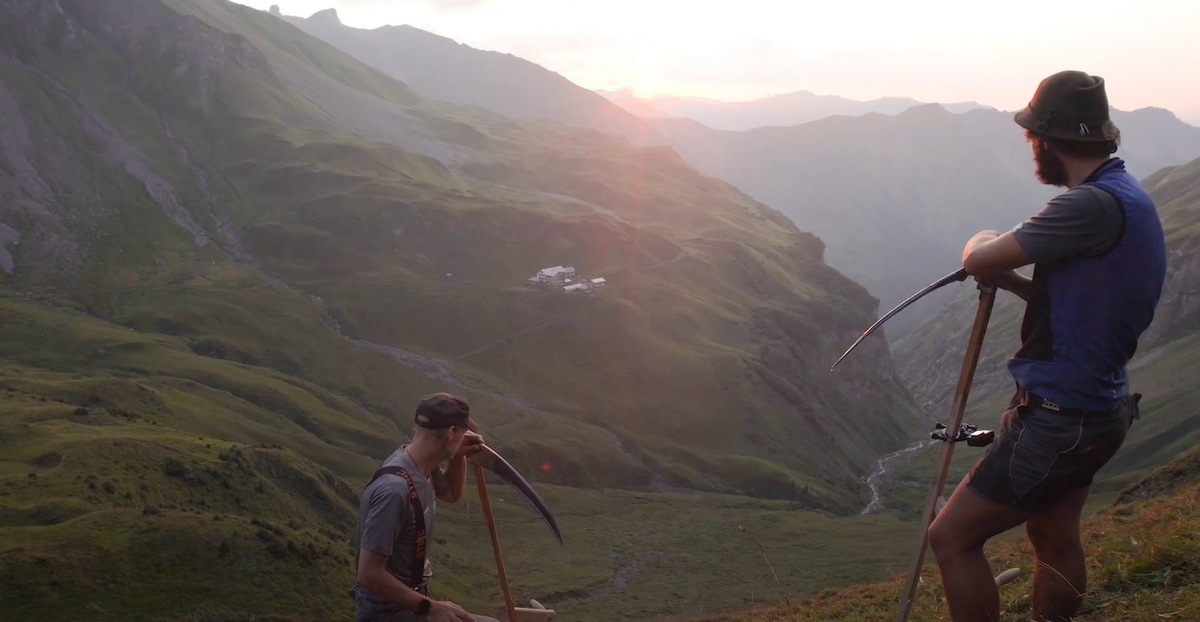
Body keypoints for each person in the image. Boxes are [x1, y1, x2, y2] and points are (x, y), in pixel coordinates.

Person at [928, 70, 1167, 622]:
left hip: (1059, 418)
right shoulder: (1127, 197)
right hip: (1101, 408)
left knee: (952, 539)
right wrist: (1014, 282)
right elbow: (1078, 303)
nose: (1029, 147)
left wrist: (981, 243)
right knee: (1053, 532)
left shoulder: (1087, 206)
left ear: (1047, 140)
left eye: (1030, 137)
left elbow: (979, 257)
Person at [352, 392, 499, 622]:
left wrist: (457, 456)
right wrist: (430, 608)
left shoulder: (420, 465)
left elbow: (450, 493)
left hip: (409, 601)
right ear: (451, 433)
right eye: (462, 433)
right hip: (387, 613)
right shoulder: (394, 490)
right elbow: (369, 574)